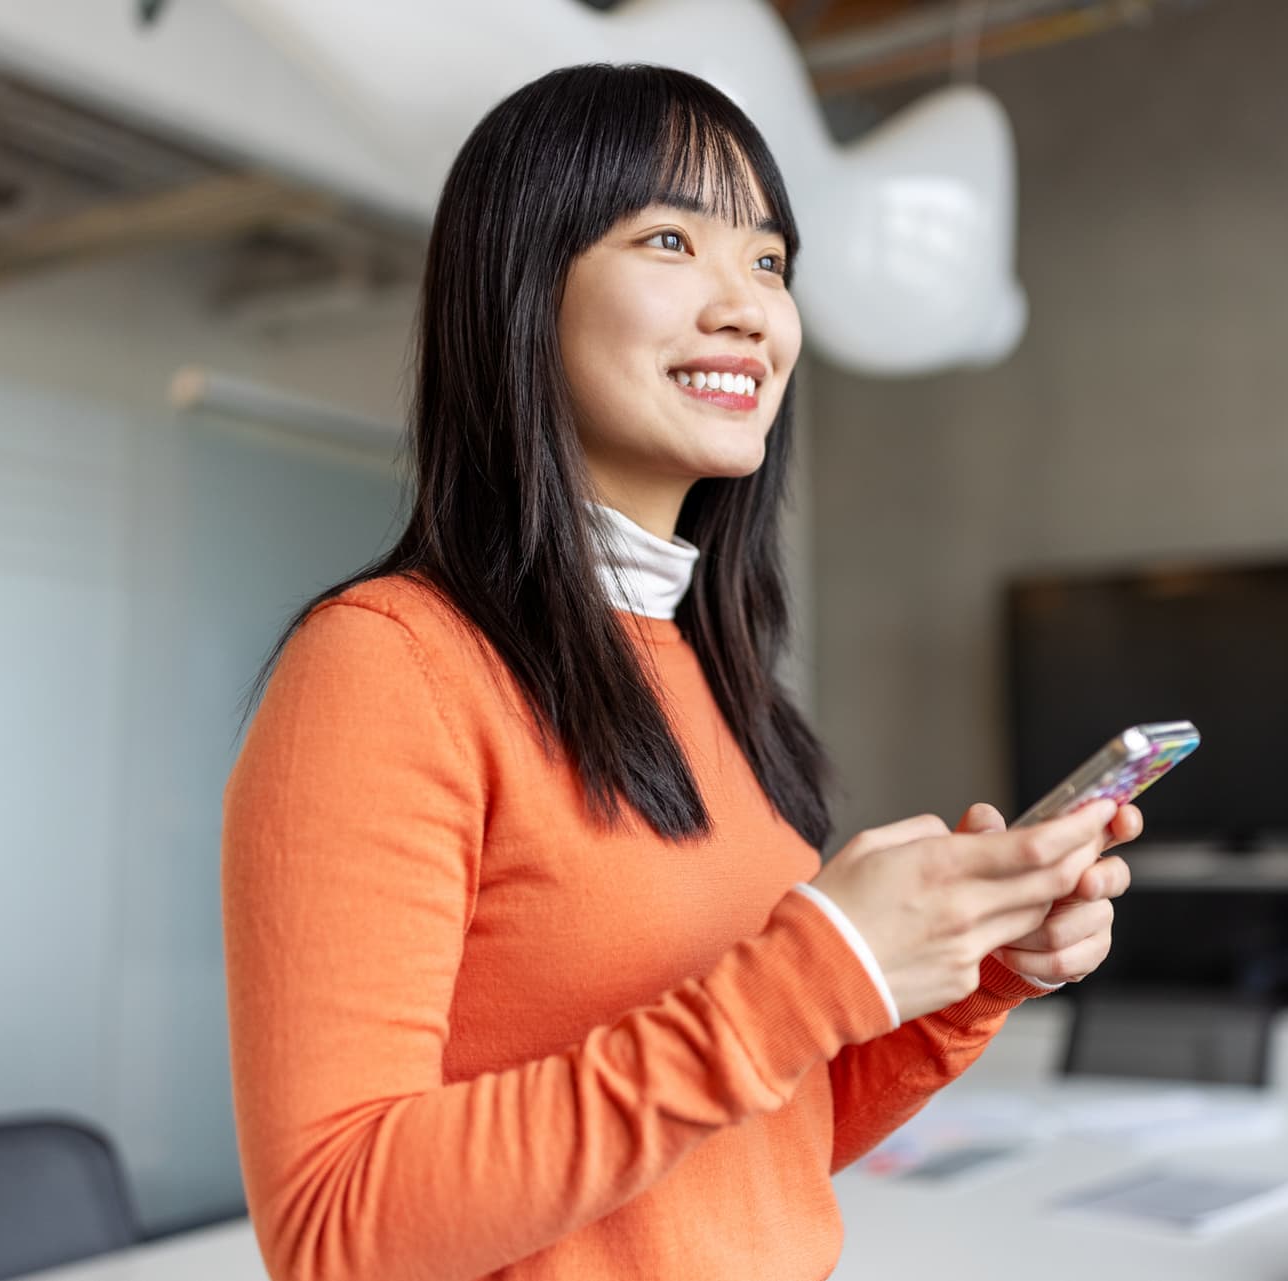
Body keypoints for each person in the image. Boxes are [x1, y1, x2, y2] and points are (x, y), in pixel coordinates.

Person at [220, 62, 1143, 1281]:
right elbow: (338, 1232)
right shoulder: (385, 669)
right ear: (520, 291)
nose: (750, 308)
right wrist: (810, 973)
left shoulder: (713, 674)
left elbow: (747, 1145)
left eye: (768, 261)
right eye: (671, 239)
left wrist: (967, 979)